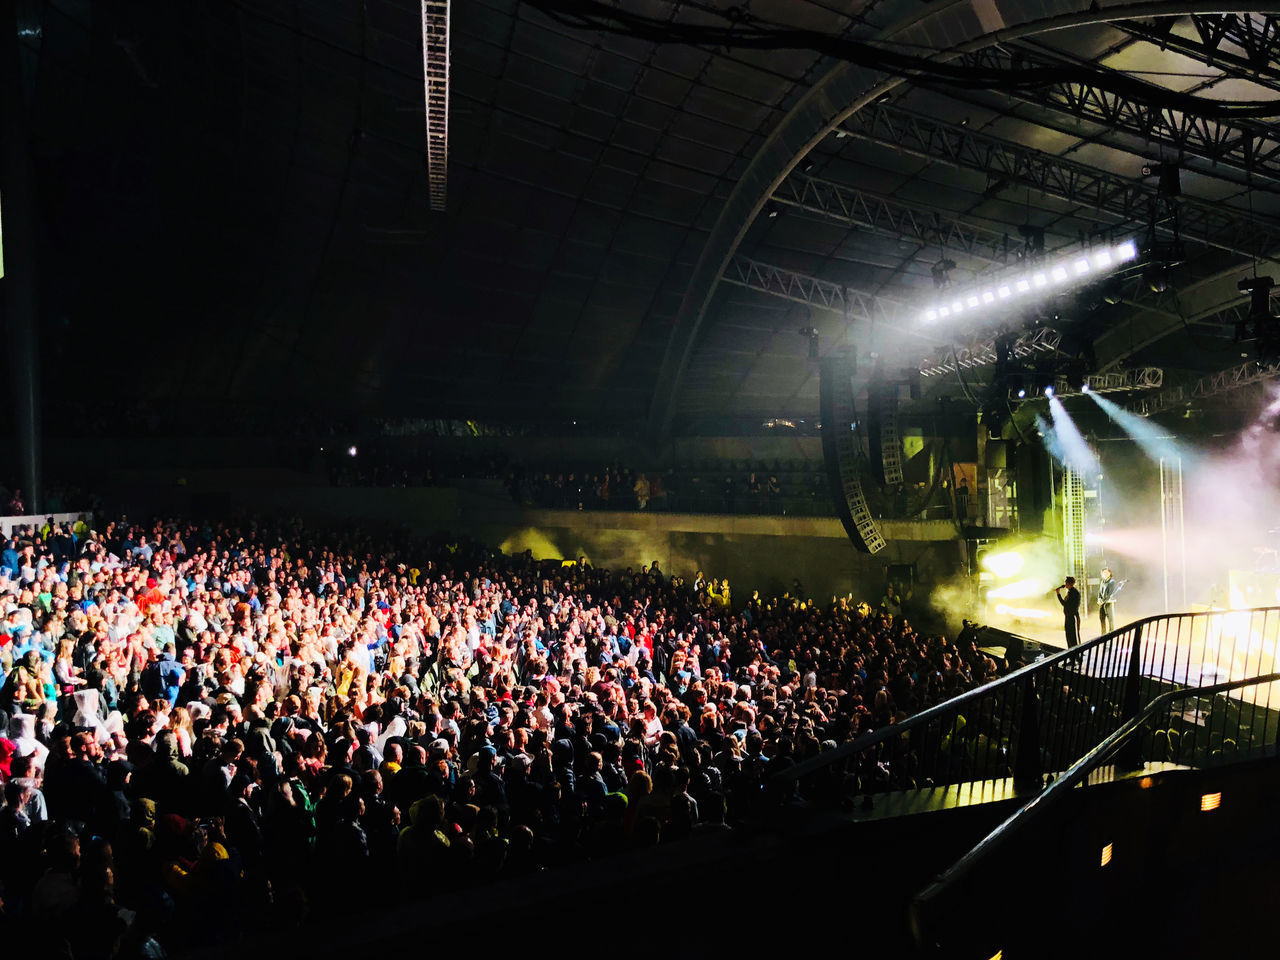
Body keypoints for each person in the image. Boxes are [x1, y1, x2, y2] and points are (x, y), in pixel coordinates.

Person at [1097, 568, 1126, 635]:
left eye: (1106, 573)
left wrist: (1102, 601)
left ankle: (1111, 635)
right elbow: (1099, 592)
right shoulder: (1102, 581)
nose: (1104, 574)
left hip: (1109, 604)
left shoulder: (1112, 582)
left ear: (1109, 573)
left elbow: (1110, 594)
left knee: (1110, 620)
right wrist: (1099, 599)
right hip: (1102, 604)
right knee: (1102, 619)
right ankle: (1103, 635)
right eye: (1103, 573)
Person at [1055, 576, 1082, 648]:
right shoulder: (1070, 592)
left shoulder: (1074, 593)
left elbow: (1064, 604)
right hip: (1068, 617)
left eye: (1066, 582)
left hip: (1072, 617)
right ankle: (1072, 655)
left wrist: (1058, 594)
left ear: (1069, 583)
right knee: (1069, 637)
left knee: (1073, 638)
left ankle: (1077, 655)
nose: (1065, 584)